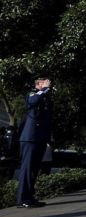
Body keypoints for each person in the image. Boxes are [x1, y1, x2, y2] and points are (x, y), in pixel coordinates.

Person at [16, 77, 54, 208]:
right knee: (27, 169)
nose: (48, 84)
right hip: (30, 138)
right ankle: (22, 199)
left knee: (34, 170)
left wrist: (49, 138)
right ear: (38, 84)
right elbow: (32, 101)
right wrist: (43, 89)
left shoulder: (45, 97)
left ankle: (29, 197)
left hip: (40, 138)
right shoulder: (32, 93)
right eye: (44, 82)